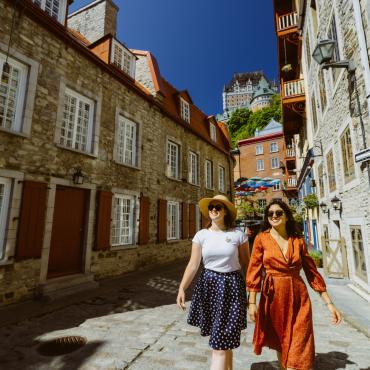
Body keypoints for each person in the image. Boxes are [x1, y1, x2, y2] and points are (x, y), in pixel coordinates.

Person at [246, 199, 342, 370]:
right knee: (280, 340)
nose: (274, 216)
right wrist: (252, 302)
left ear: (287, 216)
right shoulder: (261, 239)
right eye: (270, 214)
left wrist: (329, 303)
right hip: (273, 297)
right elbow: (254, 270)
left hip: (299, 298)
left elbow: (312, 272)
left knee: (299, 344)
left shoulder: (298, 240)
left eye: (278, 213)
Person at [176, 195, 250, 370]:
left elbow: (247, 265)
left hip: (232, 288)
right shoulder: (201, 235)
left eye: (218, 207)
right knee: (223, 342)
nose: (214, 210)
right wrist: (182, 288)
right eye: (211, 207)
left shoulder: (238, 235)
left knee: (220, 344)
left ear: (225, 211)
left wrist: (253, 293)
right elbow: (193, 265)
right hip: (208, 287)